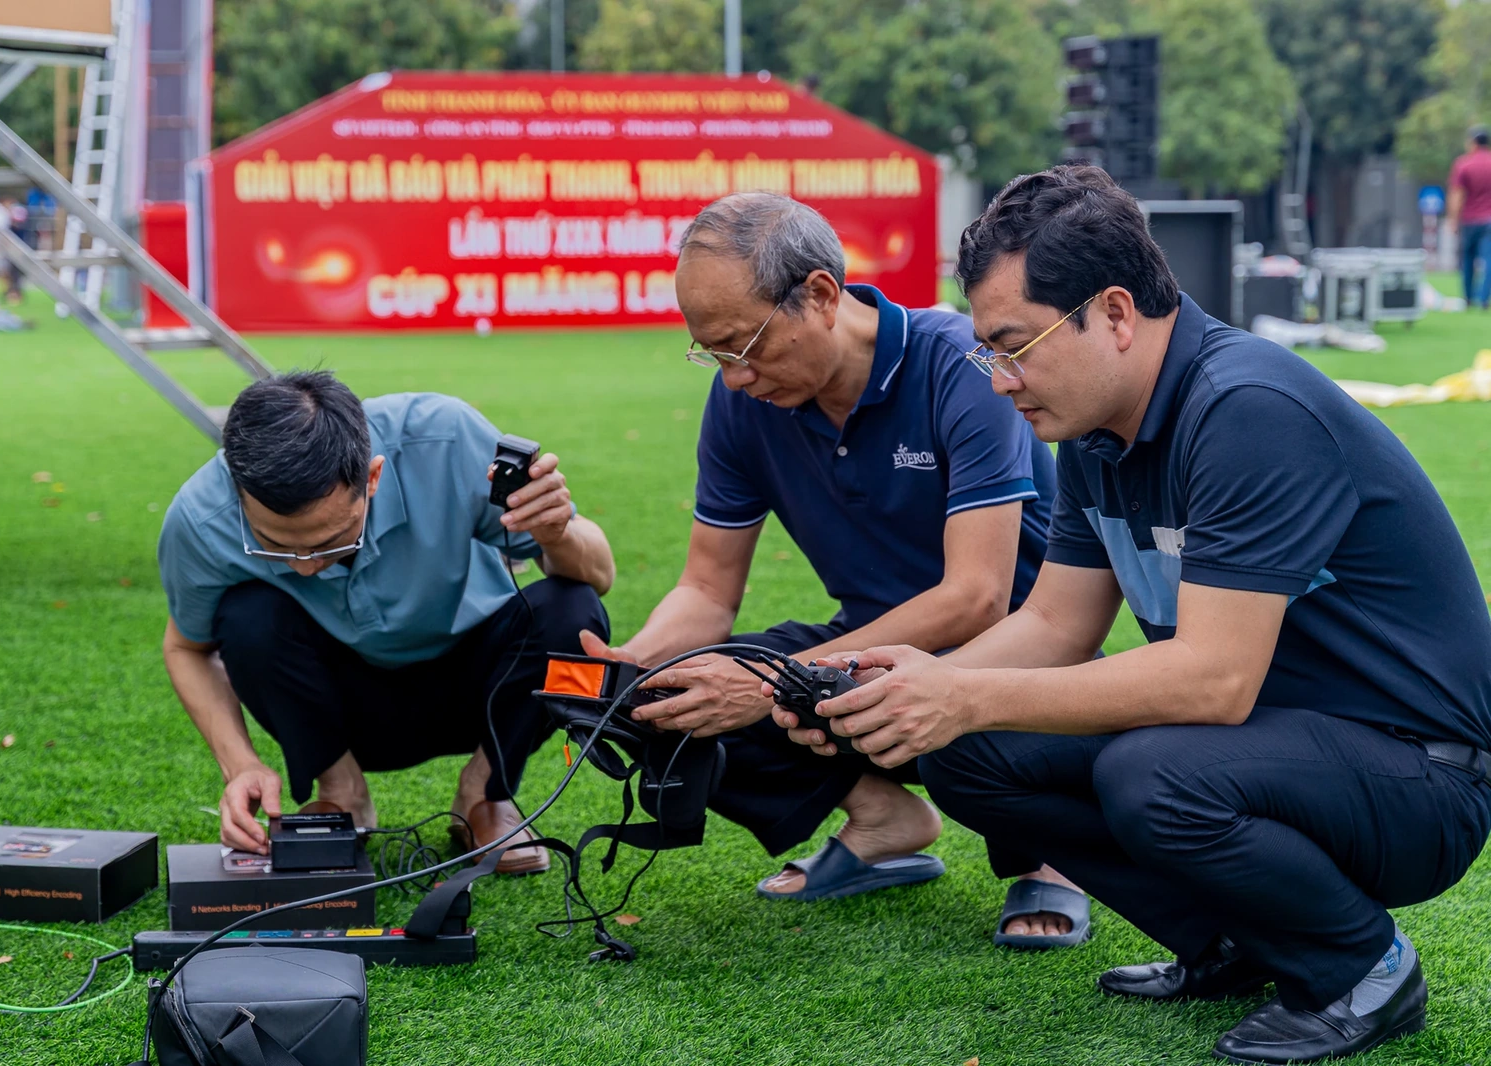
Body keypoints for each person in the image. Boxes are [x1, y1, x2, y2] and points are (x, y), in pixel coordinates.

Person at [797, 166, 1491, 1063]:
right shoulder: (1093, 430)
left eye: (1014, 345)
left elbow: (1214, 679)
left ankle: (1363, 969)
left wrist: (965, 693)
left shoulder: (1246, 410)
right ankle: (1232, 942)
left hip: (1417, 776)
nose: (999, 380)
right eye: (986, 351)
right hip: (1280, 745)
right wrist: (913, 685)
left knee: (1152, 771)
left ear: (1115, 314)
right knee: (967, 751)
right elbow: (1054, 626)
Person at [582, 193, 1082, 939]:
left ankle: (1049, 860)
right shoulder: (742, 406)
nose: (732, 377)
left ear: (819, 295)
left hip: (1008, 655)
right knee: (691, 690)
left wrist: (767, 681)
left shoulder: (960, 366)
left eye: (742, 348)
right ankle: (883, 821)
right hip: (862, 648)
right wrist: (633, 668)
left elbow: (977, 599)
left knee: (769, 682)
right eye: (710, 353)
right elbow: (706, 590)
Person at [158, 372, 615, 874]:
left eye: (331, 538)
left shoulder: (445, 438)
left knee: (574, 611)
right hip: (341, 710)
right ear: (239, 492)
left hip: (484, 689)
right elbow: (187, 648)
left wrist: (558, 532)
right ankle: (343, 793)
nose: (307, 566)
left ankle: (485, 797)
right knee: (246, 617)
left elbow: (599, 576)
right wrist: (240, 764)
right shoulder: (200, 517)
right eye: (276, 544)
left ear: (372, 478)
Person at [1449, 126, 1491, 310]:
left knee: (1467, 259)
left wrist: (1453, 219)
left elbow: (1457, 194)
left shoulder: (1463, 164)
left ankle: (1467, 298)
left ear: (1473, 142)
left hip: (1469, 219)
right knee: (1489, 259)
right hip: (1489, 219)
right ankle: (1483, 299)